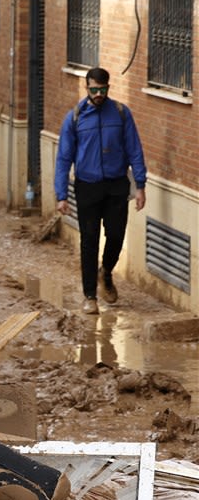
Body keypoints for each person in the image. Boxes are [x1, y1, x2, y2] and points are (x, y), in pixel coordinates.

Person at [54, 66, 148, 315]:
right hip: (87, 186)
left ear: (108, 88)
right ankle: (90, 296)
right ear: (87, 88)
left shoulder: (120, 113)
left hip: (117, 184)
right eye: (94, 89)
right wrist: (61, 195)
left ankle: (105, 272)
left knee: (116, 235)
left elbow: (134, 150)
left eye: (102, 89)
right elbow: (64, 158)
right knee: (89, 240)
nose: (98, 94)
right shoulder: (75, 117)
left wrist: (140, 186)